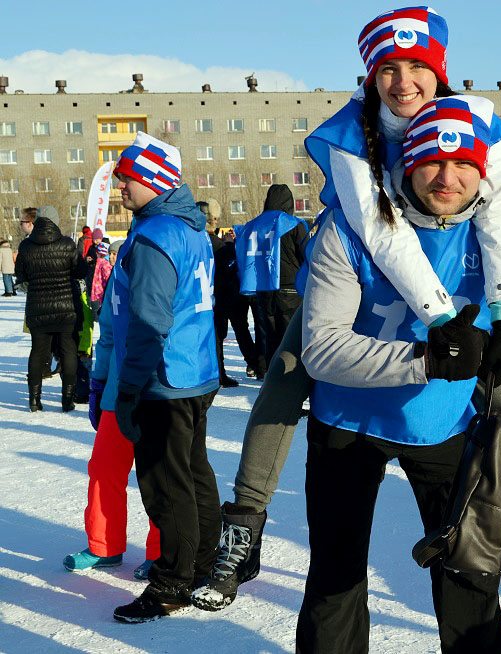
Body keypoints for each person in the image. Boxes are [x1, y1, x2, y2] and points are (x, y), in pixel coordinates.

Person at [191, 5, 501, 621]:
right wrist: (437, 323)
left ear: (441, 69)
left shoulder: (479, 121)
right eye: (388, 70)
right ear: (370, 77)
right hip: (365, 256)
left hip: (440, 280)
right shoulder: (352, 134)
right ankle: (245, 518)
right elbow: (382, 233)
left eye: (416, 67)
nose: (403, 83)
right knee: (291, 369)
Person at [295, 95, 501, 653]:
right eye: (432, 162)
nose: (448, 177)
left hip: (448, 425)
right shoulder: (348, 230)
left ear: (483, 170)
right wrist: (424, 362)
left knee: (469, 576)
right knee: (336, 579)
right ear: (406, 163)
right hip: (349, 423)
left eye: (465, 163)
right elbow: (322, 349)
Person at [109, 132, 221, 622]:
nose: (120, 189)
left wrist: (130, 387)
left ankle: (172, 583)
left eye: (127, 179)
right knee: (194, 472)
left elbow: (149, 320)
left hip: (165, 377)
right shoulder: (191, 227)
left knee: (165, 483)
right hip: (196, 370)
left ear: (152, 180)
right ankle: (199, 563)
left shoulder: (155, 234)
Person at [63, 277, 160, 577]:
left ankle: (163, 552)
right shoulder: (122, 268)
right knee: (104, 469)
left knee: (160, 475)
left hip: (160, 388)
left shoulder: (168, 252)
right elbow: (108, 333)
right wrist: (99, 380)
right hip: (118, 391)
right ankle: (104, 545)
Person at [14, 206, 87, 412]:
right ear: (55, 221)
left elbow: (21, 276)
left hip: (38, 308)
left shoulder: (26, 246)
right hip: (66, 308)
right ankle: (67, 399)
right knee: (68, 351)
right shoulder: (67, 244)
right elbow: (81, 271)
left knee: (37, 352)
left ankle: (34, 400)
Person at [236, 184, 307, 363]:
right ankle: (290, 381)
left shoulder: (253, 225)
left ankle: (271, 379)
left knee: (270, 339)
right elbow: (307, 255)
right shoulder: (292, 224)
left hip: (263, 288)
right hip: (291, 289)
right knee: (292, 340)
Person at [199, 201, 262, 387]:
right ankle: (256, 366)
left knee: (220, 336)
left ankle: (221, 372)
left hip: (212, 296)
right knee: (240, 332)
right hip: (229, 295)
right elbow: (230, 265)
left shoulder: (200, 241)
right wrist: (230, 246)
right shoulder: (219, 245)